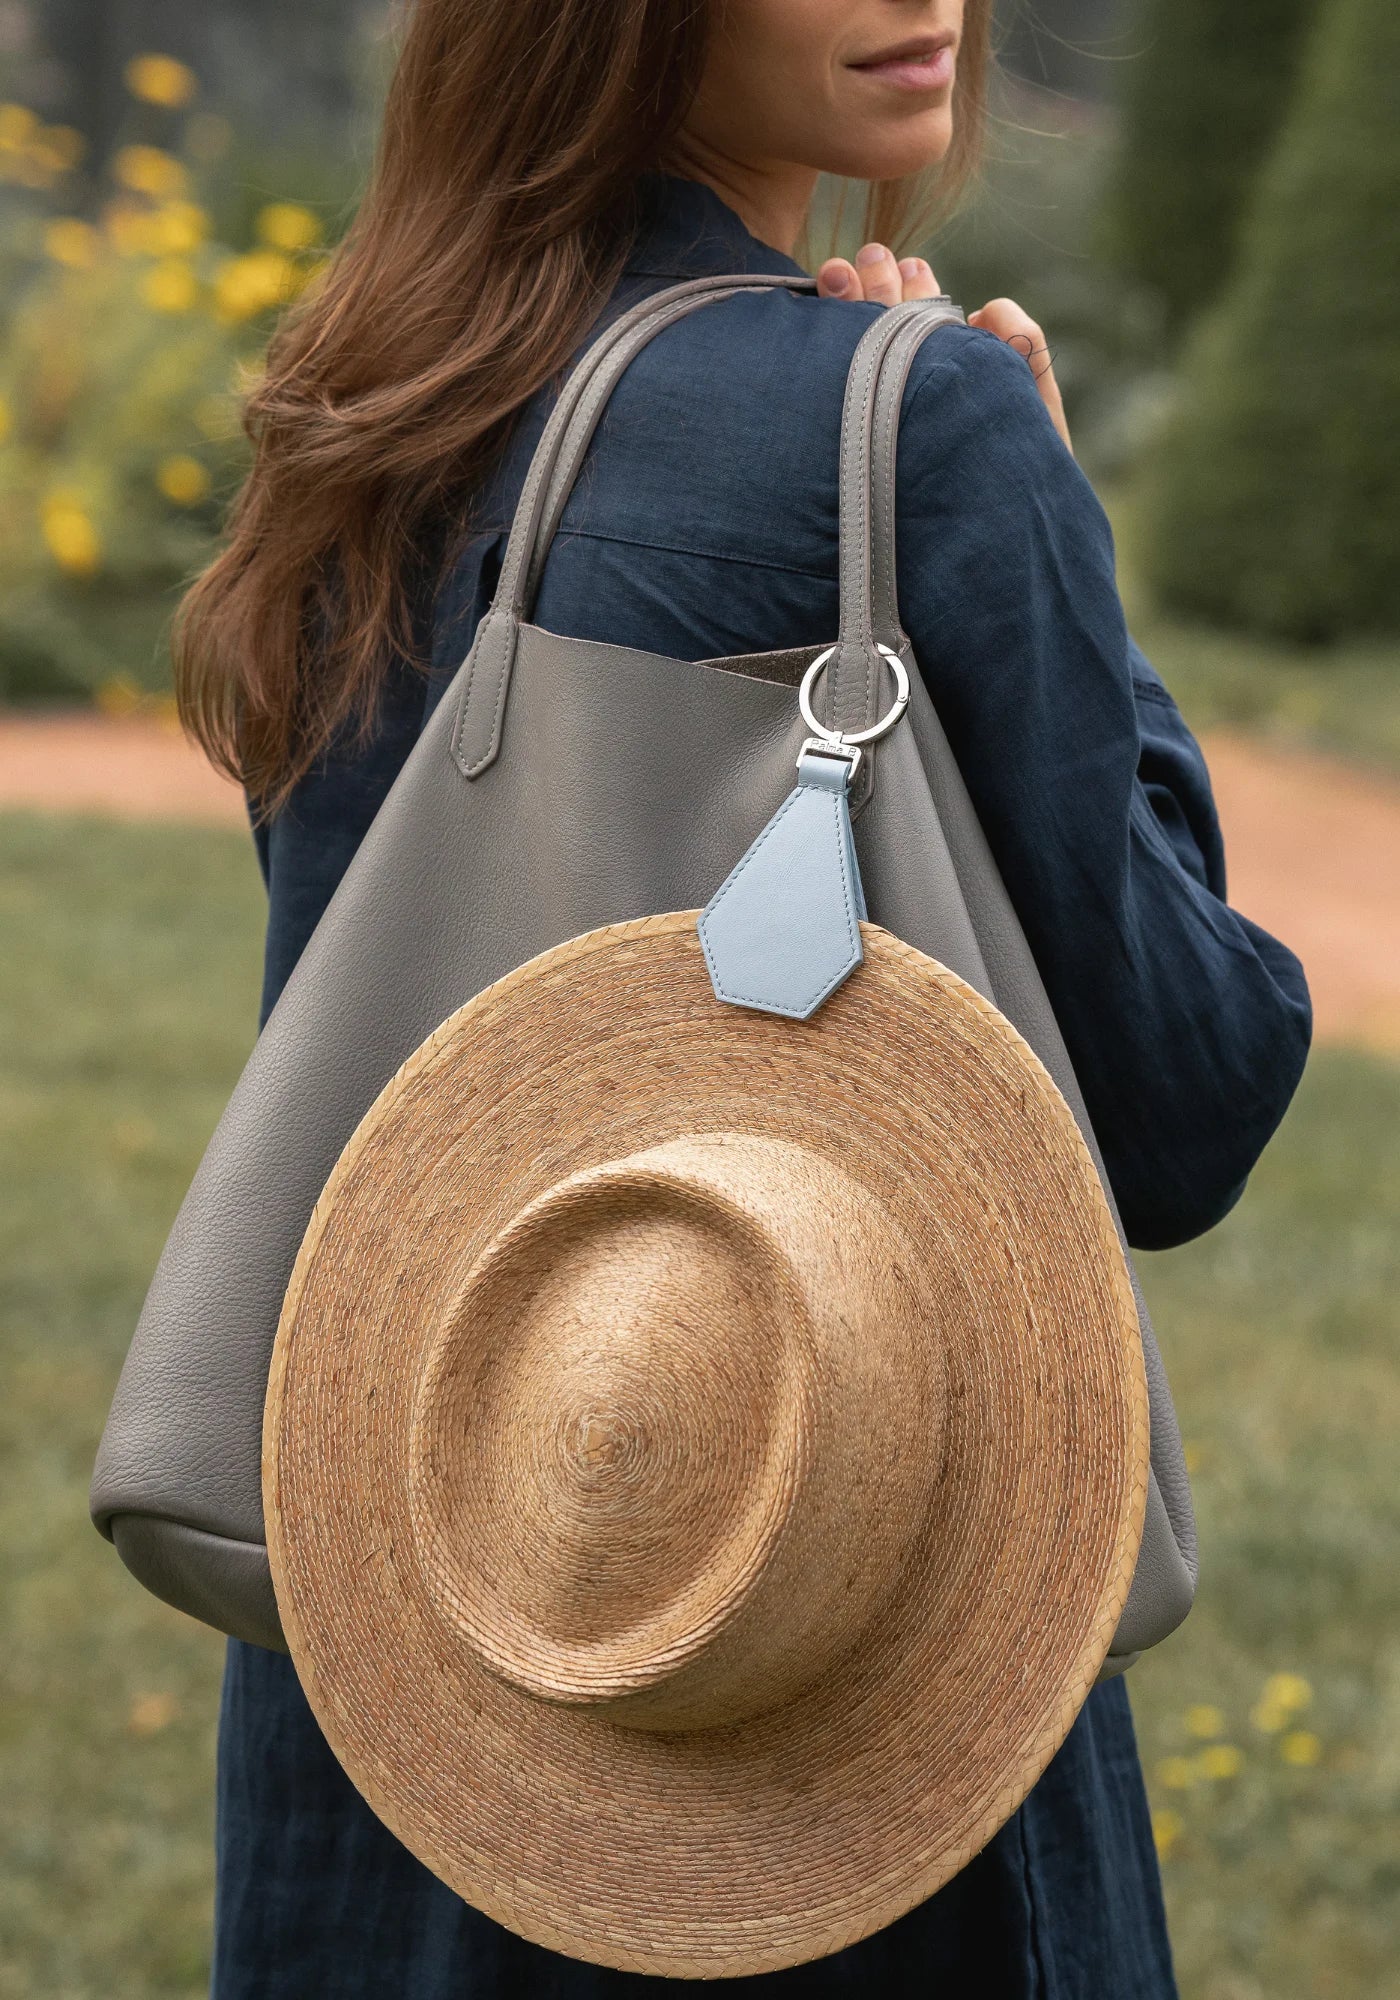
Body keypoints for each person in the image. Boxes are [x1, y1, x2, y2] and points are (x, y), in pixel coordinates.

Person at [178, 1, 1312, 1993]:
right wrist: (1074, 571)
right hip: (832, 1670)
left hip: (411, 1618)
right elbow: (1182, 1092)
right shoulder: (912, 427)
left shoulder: (374, 385)